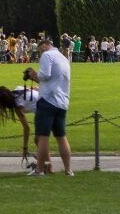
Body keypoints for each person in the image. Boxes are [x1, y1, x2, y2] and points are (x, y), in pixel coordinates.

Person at [24, 37, 73, 177]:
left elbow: (45, 75)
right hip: (62, 101)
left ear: (45, 45)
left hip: (48, 100)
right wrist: (35, 78)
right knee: (61, 136)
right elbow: (53, 79)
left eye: (40, 50)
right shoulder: (64, 58)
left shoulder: (47, 55)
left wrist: (34, 74)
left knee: (43, 136)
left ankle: (39, 170)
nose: (40, 54)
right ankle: (68, 170)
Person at [0, 81, 46, 170]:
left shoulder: (18, 105)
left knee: (39, 140)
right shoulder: (17, 90)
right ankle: (44, 164)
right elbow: (35, 88)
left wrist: (25, 148)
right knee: (40, 140)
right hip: (45, 104)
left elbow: (26, 128)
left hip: (44, 109)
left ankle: (48, 166)